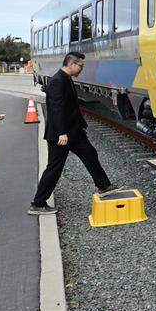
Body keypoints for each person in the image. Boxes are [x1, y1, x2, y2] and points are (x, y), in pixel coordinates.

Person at [28, 52, 119, 215]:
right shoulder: (57, 81)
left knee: (90, 154)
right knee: (54, 168)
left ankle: (104, 186)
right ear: (71, 63)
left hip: (74, 131)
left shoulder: (66, 78)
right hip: (61, 134)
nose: (81, 69)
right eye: (80, 66)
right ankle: (38, 203)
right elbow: (56, 109)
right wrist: (61, 132)